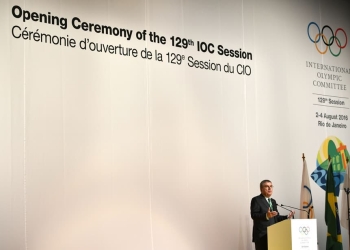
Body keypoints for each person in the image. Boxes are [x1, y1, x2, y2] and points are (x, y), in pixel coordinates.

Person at [250, 180, 295, 250]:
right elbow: (254, 215)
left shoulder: (273, 201)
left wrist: (287, 216)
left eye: (271, 186)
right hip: (262, 235)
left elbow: (276, 217)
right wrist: (266, 216)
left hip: (273, 235)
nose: (270, 188)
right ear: (261, 189)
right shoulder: (256, 200)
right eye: (267, 186)